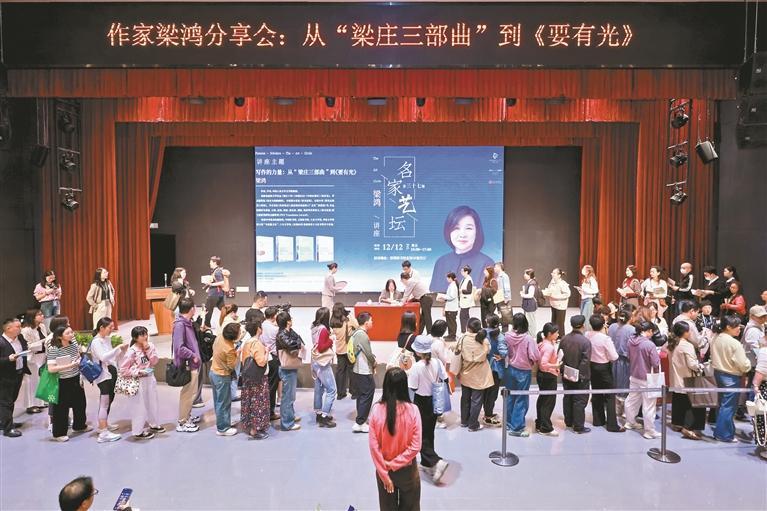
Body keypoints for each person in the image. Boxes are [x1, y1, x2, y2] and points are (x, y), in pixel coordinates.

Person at [368, 367, 422, 510]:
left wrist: (384, 472)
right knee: (410, 506)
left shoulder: (376, 410)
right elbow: (415, 446)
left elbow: (374, 447)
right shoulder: (413, 410)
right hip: (407, 471)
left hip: (383, 469)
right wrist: (395, 464)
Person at [408, 335, 449, 484]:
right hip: (435, 400)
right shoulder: (437, 362)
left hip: (421, 402)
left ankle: (436, 461)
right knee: (429, 433)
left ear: (418, 352)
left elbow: (413, 388)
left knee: (419, 436)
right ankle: (427, 463)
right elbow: (445, 378)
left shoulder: (416, 367)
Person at [429, 205, 495, 293]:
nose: (462, 234)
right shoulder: (441, 262)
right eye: (456, 228)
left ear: (477, 231)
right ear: (448, 231)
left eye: (468, 228)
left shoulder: (487, 263)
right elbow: (434, 294)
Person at [710, 316, 751, 442]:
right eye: (737, 326)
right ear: (728, 327)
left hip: (718, 373)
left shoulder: (716, 338)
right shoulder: (734, 343)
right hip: (731, 377)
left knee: (722, 404)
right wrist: (749, 364)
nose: (739, 328)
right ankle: (724, 434)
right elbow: (743, 365)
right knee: (728, 406)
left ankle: (721, 431)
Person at [119, 326, 163, 440]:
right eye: (142, 335)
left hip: (150, 378)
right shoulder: (132, 351)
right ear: (135, 338)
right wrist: (138, 372)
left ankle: (154, 424)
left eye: (146, 334)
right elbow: (123, 370)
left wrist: (148, 349)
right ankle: (138, 431)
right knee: (139, 407)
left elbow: (155, 361)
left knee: (153, 403)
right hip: (138, 381)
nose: (145, 337)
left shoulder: (150, 346)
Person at [47, 325, 90, 441]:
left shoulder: (73, 346)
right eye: (68, 333)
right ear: (60, 337)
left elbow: (78, 358)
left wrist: (78, 360)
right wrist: (69, 365)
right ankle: (59, 433)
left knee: (80, 404)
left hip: (75, 378)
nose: (71, 335)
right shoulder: (54, 350)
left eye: (71, 332)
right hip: (62, 381)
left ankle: (80, 425)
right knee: (61, 408)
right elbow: (51, 369)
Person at [91, 317, 129, 442]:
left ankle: (104, 424)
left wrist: (121, 351)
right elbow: (103, 357)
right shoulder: (96, 342)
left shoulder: (106, 339)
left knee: (110, 399)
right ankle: (103, 432)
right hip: (103, 374)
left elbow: (111, 357)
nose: (112, 329)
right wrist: (117, 348)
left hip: (110, 371)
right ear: (101, 327)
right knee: (105, 402)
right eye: (110, 327)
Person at [503, 313, 540, 437]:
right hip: (523, 371)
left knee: (509, 396)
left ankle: (508, 423)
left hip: (510, 369)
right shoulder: (528, 339)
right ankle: (517, 427)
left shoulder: (507, 336)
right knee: (521, 399)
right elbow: (535, 355)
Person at [668, 321, 706, 440]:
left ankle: (677, 423)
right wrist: (701, 366)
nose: (690, 332)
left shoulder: (672, 343)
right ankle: (689, 427)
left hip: (676, 377)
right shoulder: (687, 346)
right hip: (687, 378)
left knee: (678, 401)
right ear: (684, 332)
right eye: (688, 330)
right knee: (692, 404)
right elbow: (692, 364)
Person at [624, 320, 662, 439]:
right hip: (647, 378)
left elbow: (628, 356)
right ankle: (649, 431)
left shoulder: (631, 341)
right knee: (649, 405)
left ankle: (630, 422)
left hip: (634, 375)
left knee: (632, 400)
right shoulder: (649, 345)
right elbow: (655, 363)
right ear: (649, 331)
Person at [586, 314, 624, 433]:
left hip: (592, 366)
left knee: (596, 393)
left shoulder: (587, 335)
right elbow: (614, 356)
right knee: (609, 395)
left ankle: (598, 420)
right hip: (604, 367)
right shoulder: (605, 339)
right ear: (603, 325)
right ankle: (612, 425)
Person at [457, 317, 493, 431]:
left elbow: (457, 351)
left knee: (465, 398)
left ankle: (464, 421)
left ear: (468, 327)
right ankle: (473, 424)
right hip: (479, 374)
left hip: (466, 372)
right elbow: (489, 351)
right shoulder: (484, 340)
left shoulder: (462, 338)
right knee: (477, 400)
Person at [172, 298, 202, 433]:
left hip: (193, 364)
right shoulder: (180, 325)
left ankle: (187, 416)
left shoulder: (187, 323)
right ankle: (182, 422)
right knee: (187, 394)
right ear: (191, 309)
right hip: (188, 365)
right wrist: (193, 355)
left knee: (191, 393)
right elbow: (179, 348)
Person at [559, 315, 592, 434]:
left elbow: (560, 356)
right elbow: (585, 361)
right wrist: (579, 374)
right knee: (579, 400)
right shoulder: (585, 342)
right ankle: (578, 426)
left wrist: (564, 370)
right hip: (580, 377)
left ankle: (568, 421)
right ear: (583, 325)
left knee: (568, 397)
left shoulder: (564, 339)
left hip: (566, 374)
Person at [209, 322, 241, 436]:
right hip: (222, 376)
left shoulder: (219, 337)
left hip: (213, 371)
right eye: (239, 332)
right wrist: (237, 354)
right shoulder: (229, 349)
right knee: (224, 402)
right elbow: (232, 366)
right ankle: (223, 428)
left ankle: (224, 421)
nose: (240, 333)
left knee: (218, 401)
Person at [240, 320, 270, 440]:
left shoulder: (247, 342)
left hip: (248, 377)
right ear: (258, 329)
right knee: (258, 402)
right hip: (258, 379)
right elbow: (261, 362)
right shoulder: (257, 343)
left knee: (250, 402)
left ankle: (250, 426)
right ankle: (255, 430)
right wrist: (267, 352)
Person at [0, 318, 30, 437]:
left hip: (18, 373)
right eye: (17, 326)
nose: (20, 328)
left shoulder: (20, 338)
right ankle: (8, 429)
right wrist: (8, 359)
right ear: (8, 328)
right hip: (5, 377)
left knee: (11, 400)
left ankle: (6, 422)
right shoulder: (1, 342)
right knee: (6, 402)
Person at [276, 311, 304, 432]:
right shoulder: (282, 334)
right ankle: (287, 423)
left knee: (290, 395)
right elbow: (291, 344)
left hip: (290, 367)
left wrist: (297, 342)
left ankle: (290, 417)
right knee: (287, 396)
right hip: (286, 368)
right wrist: (298, 343)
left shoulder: (288, 332)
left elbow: (298, 339)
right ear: (288, 321)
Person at [311, 307, 337, 428]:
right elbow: (322, 347)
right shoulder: (324, 330)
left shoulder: (314, 327)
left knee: (319, 389)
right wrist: (331, 340)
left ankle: (318, 413)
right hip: (323, 363)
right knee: (332, 390)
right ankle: (324, 416)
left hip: (315, 361)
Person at [19, 309, 49, 414]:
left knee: (41, 381)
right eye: (39, 315)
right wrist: (43, 341)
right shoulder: (26, 330)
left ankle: (40, 402)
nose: (42, 316)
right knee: (31, 382)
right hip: (32, 358)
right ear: (32, 317)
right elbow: (28, 346)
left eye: (42, 314)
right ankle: (30, 405)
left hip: (42, 356)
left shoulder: (42, 326)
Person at [352, 312, 377, 433]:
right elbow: (368, 354)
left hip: (357, 369)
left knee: (361, 395)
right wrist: (374, 362)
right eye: (371, 320)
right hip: (363, 370)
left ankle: (360, 420)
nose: (372, 322)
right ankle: (360, 422)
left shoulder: (356, 333)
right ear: (366, 323)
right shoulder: (363, 335)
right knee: (367, 395)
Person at [608, 306, 635, 417]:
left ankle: (616, 407)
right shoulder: (631, 329)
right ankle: (624, 410)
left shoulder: (612, 327)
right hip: (625, 360)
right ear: (630, 318)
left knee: (615, 382)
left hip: (613, 359)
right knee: (625, 384)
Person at [535, 322, 560, 436]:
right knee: (548, 402)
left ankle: (540, 423)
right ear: (550, 334)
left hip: (543, 375)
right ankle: (545, 428)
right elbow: (543, 364)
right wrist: (555, 366)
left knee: (543, 400)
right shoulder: (548, 347)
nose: (558, 334)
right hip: (548, 376)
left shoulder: (543, 343)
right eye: (556, 333)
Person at [331, 302, 358, 400]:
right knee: (352, 370)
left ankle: (340, 393)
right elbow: (357, 326)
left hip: (339, 349)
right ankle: (354, 392)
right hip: (349, 349)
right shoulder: (348, 319)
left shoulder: (333, 321)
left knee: (340, 371)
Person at [481, 315, 504, 426]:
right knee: (492, 393)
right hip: (495, 367)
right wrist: (502, 356)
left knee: (485, 391)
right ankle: (488, 415)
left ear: (487, 322)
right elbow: (503, 351)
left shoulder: (482, 333)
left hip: (484, 366)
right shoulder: (500, 335)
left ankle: (487, 413)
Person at [429, 320, 452, 429]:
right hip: (437, 371)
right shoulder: (439, 343)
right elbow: (444, 359)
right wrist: (447, 348)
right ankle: (437, 418)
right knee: (437, 394)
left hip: (426, 369)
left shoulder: (427, 338)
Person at [260, 306, 281, 420]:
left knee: (265, 384)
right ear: (274, 316)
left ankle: (263, 410)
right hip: (273, 358)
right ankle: (270, 412)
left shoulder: (261, 326)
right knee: (272, 386)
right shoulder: (275, 329)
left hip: (263, 356)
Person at [542, 268, 571, 336]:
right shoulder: (552, 281)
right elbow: (550, 289)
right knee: (554, 322)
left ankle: (560, 336)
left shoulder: (562, 283)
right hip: (553, 304)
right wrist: (546, 292)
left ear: (559, 275)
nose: (552, 274)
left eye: (554, 273)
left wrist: (556, 296)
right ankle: (554, 335)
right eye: (552, 273)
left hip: (560, 306)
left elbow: (568, 294)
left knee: (559, 323)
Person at [752, 335, 767, 458]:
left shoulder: (764, 352)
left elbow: (761, 371)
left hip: (765, 386)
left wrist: (755, 385)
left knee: (764, 416)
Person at [203, 256, 226, 328]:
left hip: (214, 294)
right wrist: (209, 288)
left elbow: (222, 282)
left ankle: (207, 325)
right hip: (218, 294)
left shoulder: (217, 271)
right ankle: (230, 320)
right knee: (223, 309)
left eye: (210, 262)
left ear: (214, 262)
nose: (209, 263)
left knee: (208, 309)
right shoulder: (216, 270)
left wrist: (211, 284)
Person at [519, 269, 538, 336]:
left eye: (525, 274)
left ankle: (532, 335)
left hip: (530, 305)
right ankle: (529, 334)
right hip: (528, 304)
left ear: (529, 275)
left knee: (531, 321)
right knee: (528, 320)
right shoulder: (530, 282)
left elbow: (530, 295)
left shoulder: (532, 284)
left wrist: (522, 295)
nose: (524, 275)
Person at [494, 262, 512, 332]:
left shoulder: (504, 276)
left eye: (495, 267)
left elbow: (507, 287)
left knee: (505, 315)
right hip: (499, 298)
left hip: (503, 298)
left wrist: (506, 297)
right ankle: (503, 330)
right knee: (501, 314)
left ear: (499, 267)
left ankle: (505, 331)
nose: (494, 268)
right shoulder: (498, 276)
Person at [442, 272, 459, 339]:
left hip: (452, 308)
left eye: (447, 278)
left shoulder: (453, 286)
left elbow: (452, 296)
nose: (446, 279)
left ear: (450, 278)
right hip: (450, 307)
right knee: (449, 322)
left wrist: (443, 296)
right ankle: (450, 335)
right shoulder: (451, 285)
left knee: (451, 323)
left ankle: (452, 336)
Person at [458, 265, 474, 334]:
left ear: (466, 272)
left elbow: (469, 291)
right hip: (463, 300)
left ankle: (463, 331)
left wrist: (461, 291)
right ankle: (468, 330)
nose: (461, 272)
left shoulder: (469, 279)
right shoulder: (464, 279)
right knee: (466, 316)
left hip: (466, 301)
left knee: (462, 316)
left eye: (462, 271)